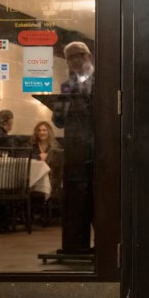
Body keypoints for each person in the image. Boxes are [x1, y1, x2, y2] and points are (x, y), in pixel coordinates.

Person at [52, 40, 95, 253]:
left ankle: (103, 244)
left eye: (78, 56)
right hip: (75, 150)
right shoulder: (67, 86)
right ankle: (75, 245)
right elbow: (58, 120)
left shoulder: (102, 81)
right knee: (75, 197)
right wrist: (61, 105)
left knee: (97, 198)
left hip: (98, 150)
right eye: (70, 58)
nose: (74, 61)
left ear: (88, 57)